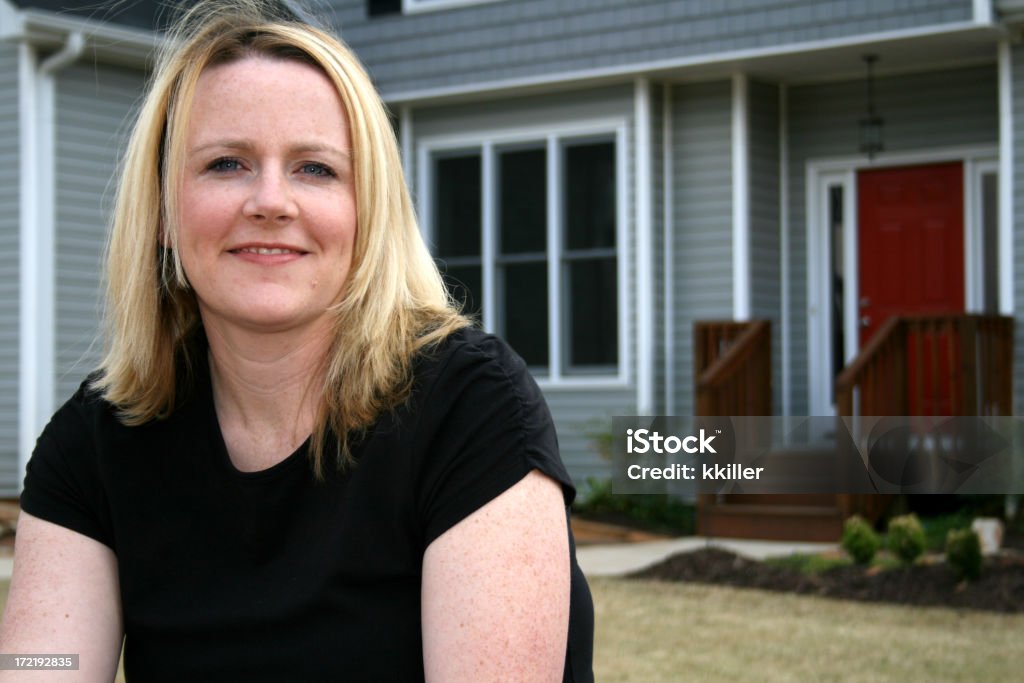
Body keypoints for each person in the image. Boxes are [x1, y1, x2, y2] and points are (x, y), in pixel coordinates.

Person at [0, 1, 594, 680]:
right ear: (163, 211)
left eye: (315, 168)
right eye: (227, 163)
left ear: (366, 213)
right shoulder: (94, 445)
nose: (272, 200)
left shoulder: (471, 409)